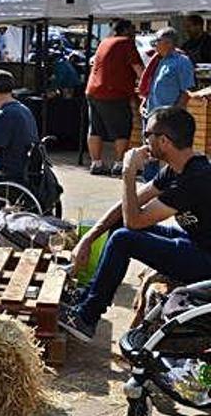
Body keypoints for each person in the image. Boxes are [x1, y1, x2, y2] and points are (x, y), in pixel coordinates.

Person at [60, 107, 211, 342]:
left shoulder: (195, 179)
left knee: (123, 238)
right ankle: (87, 298)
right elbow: (127, 208)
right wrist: (87, 239)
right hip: (194, 243)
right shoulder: (177, 169)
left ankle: (87, 318)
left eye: (147, 135)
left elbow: (134, 220)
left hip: (206, 262)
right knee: (118, 227)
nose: (144, 142)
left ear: (164, 140)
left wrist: (129, 172)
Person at [85, 19, 144, 176]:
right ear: (125, 30)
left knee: (95, 129)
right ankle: (119, 164)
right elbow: (139, 70)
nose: (134, 32)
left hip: (93, 90)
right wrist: (146, 86)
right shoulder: (126, 43)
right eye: (132, 29)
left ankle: (96, 163)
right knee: (122, 129)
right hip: (114, 92)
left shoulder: (104, 42)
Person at [140, 27, 195, 181]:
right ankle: (148, 183)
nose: (154, 45)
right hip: (151, 114)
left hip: (168, 118)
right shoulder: (158, 60)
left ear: (168, 43)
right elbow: (152, 84)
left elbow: (186, 92)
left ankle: (170, 184)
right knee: (150, 151)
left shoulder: (182, 62)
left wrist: (174, 114)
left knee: (169, 152)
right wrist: (144, 102)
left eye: (156, 41)